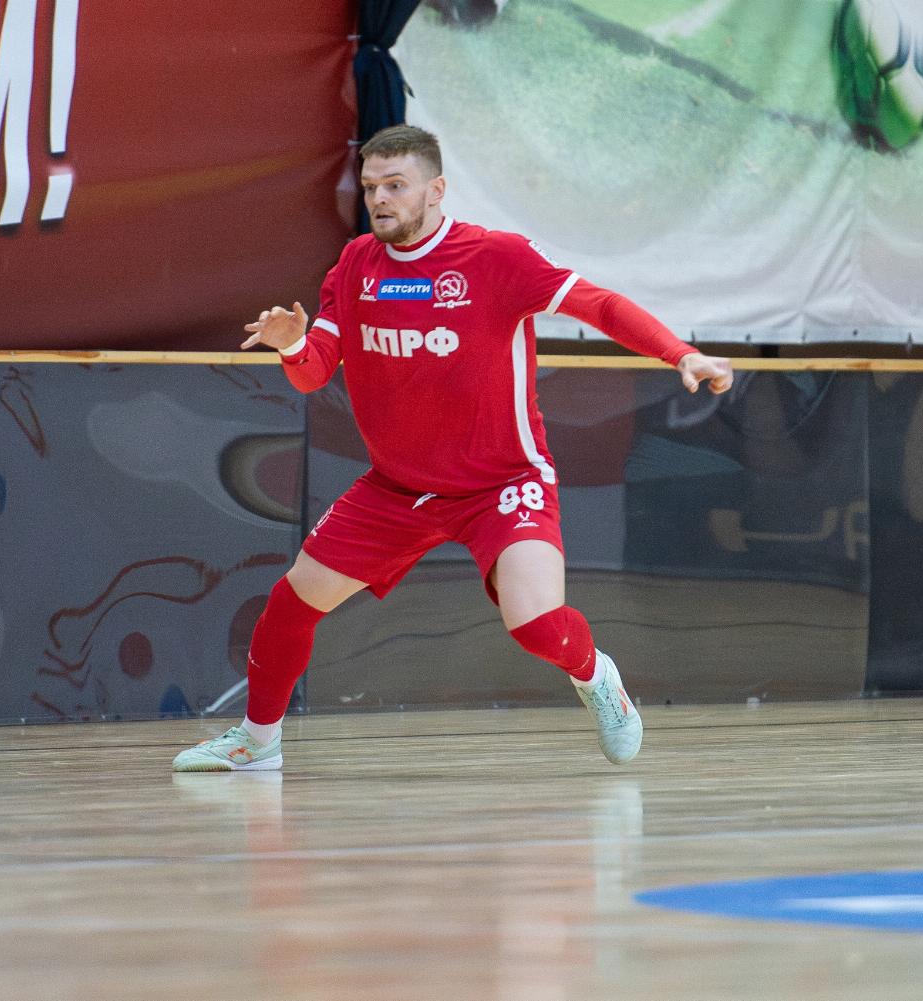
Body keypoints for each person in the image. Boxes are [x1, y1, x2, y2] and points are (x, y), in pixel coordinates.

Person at [173, 125, 733, 773]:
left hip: (503, 482)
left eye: (396, 185)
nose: (380, 199)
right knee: (290, 603)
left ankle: (596, 674)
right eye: (371, 186)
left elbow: (599, 305)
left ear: (436, 190)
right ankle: (257, 741)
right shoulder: (355, 265)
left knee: (535, 625)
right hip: (396, 488)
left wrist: (680, 353)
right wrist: (294, 344)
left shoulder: (496, 257)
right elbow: (314, 372)